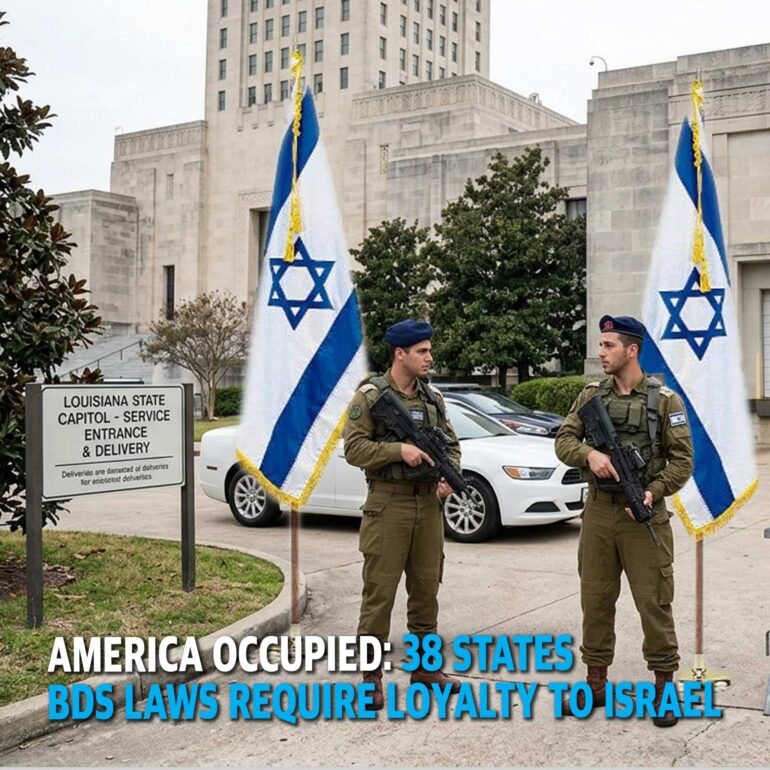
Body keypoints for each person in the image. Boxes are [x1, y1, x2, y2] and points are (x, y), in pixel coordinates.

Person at [554, 315, 694, 728]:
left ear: (631, 350)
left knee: (654, 601)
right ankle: (595, 683)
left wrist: (651, 492)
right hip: (598, 512)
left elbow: (683, 462)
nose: (601, 352)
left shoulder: (664, 399)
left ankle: (665, 687)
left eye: (608, 345)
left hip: (643, 514)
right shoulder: (590, 395)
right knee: (595, 600)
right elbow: (564, 439)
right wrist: (590, 456)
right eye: (601, 345)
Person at [344, 319, 462, 709]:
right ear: (400, 354)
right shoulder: (370, 397)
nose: (430, 357)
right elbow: (355, 450)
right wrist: (399, 451)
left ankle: (425, 670)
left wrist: (450, 477)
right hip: (388, 504)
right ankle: (370, 676)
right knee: (379, 593)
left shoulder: (433, 399)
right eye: (422, 351)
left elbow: (451, 444)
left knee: (427, 589)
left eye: (429, 350)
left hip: (428, 504)